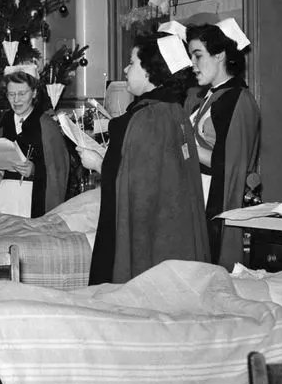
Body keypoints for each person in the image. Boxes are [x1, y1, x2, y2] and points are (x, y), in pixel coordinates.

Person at [85, 30, 210, 285]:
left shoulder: (143, 119)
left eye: (132, 63)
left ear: (150, 71)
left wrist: (97, 163)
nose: (125, 69)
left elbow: (130, 186)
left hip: (144, 241)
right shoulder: (174, 111)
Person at [184, 18, 261, 269]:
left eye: (198, 55)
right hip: (197, 197)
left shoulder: (238, 100)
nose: (193, 64)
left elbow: (229, 164)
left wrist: (183, 145)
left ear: (220, 55)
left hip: (216, 202)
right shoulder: (208, 96)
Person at [0, 66, 69, 218]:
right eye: (11, 94)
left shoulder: (47, 126)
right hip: (4, 202)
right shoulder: (3, 126)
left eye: (22, 94)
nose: (16, 100)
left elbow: (58, 173)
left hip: (33, 204)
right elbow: (0, 179)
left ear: (34, 93)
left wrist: (34, 171)